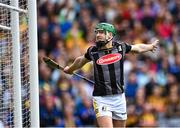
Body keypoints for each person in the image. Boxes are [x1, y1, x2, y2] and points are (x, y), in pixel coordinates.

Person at [63, 22, 159, 127]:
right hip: (101, 99)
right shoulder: (93, 51)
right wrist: (70, 69)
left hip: (119, 98)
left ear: (110, 35)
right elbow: (80, 61)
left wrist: (150, 47)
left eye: (102, 32)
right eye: (97, 32)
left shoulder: (120, 47)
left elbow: (137, 48)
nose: (98, 35)